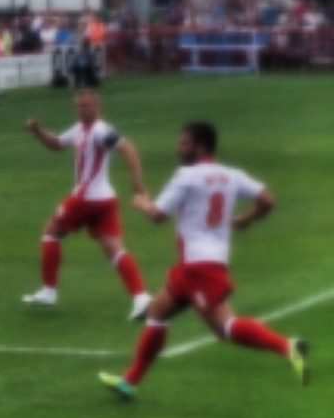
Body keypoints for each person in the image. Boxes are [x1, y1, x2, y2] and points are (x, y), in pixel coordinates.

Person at [100, 120, 307, 400]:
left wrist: (141, 203)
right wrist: (246, 219)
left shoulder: (186, 176)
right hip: (197, 267)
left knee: (225, 327)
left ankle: (288, 347)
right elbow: (268, 200)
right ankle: (130, 381)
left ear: (201, 146)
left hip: (199, 269)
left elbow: (158, 215)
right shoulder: (231, 175)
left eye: (184, 143)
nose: (178, 148)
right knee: (156, 313)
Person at [22, 89, 152, 319]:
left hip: (86, 198)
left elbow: (129, 150)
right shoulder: (79, 129)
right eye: (78, 106)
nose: (81, 110)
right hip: (105, 200)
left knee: (50, 234)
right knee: (115, 250)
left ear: (96, 106)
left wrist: (137, 186)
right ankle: (141, 298)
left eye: (85, 106)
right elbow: (56, 144)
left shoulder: (101, 130)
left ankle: (49, 291)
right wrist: (37, 130)